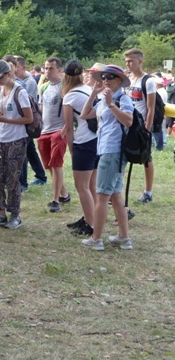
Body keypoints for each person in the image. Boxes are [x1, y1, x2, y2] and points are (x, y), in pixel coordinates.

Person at [79, 65, 134, 251]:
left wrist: (111, 104)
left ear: (120, 80)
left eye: (111, 76)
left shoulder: (122, 98)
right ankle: (124, 239)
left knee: (102, 196)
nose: (106, 80)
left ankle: (96, 239)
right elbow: (85, 115)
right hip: (107, 151)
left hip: (113, 151)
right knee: (116, 196)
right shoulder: (103, 99)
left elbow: (128, 121)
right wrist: (94, 93)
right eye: (103, 77)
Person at [0, 60, 33, 229]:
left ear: (8, 74)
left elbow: (29, 118)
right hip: (0, 138)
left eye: (0, 77)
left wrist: (7, 119)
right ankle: (0, 213)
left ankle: (15, 214)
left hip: (17, 139)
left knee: (13, 177)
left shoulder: (19, 91)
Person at [60, 61, 97, 236]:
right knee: (91, 185)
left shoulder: (69, 96)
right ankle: (91, 218)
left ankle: (91, 224)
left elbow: (68, 127)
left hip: (84, 141)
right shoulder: (88, 89)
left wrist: (71, 149)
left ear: (65, 76)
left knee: (81, 186)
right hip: (98, 139)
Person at [39, 57, 70, 213]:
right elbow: (42, 108)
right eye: (46, 68)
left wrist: (64, 131)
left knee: (56, 165)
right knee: (49, 166)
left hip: (58, 130)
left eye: (51, 68)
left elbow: (71, 110)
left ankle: (55, 200)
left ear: (59, 70)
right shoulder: (44, 87)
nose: (47, 71)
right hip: (45, 130)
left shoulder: (64, 86)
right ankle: (64, 194)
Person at [124, 48, 155, 203]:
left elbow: (150, 108)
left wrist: (146, 131)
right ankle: (116, 190)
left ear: (140, 61)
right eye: (126, 61)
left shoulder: (148, 81)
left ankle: (148, 192)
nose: (128, 64)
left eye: (131, 61)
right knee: (122, 155)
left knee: (146, 158)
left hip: (141, 127)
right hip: (127, 124)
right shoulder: (128, 80)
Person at [13, 56, 47, 190]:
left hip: (26, 122)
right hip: (19, 122)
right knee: (30, 150)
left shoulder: (30, 82)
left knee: (24, 151)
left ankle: (23, 184)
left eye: (16, 67)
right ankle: (41, 175)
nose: (14, 70)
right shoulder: (15, 81)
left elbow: (29, 104)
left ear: (23, 67)